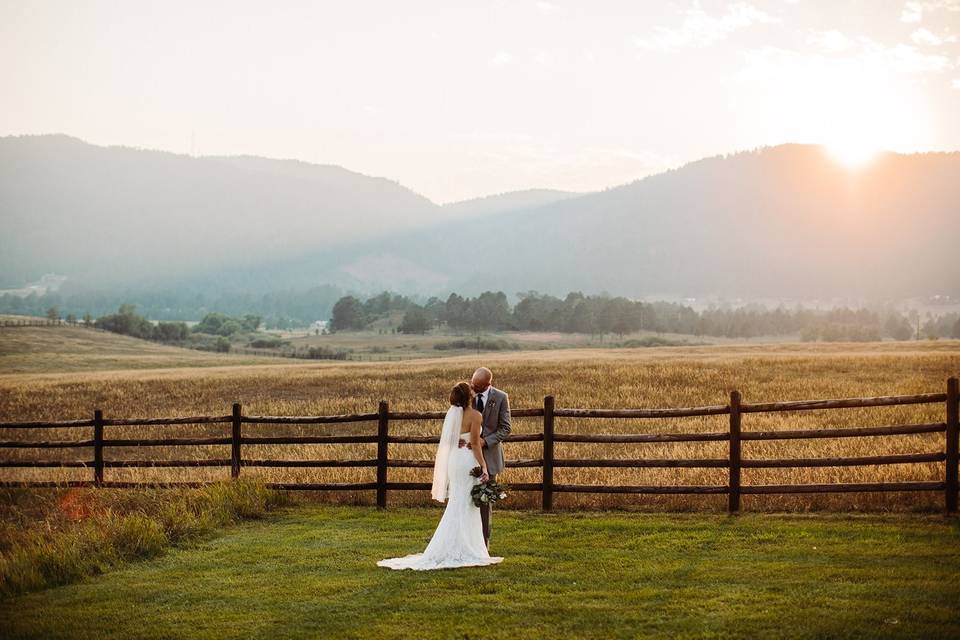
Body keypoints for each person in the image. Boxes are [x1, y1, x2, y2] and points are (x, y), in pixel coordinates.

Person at [377, 381, 504, 570]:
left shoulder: (452, 415)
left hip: (455, 461)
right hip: (467, 460)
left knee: (458, 501)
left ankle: (455, 544)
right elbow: (476, 445)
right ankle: (467, 547)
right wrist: (484, 466)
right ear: (469, 397)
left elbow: (451, 441)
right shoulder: (475, 416)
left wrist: (462, 443)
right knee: (467, 504)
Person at [459, 366, 511, 549]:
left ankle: (483, 544)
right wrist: (461, 440)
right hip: (466, 456)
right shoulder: (467, 396)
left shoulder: (501, 397)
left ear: (488, 384)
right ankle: (465, 541)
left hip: (489, 456)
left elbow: (505, 428)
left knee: (484, 502)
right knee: (465, 499)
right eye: (473, 383)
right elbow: (459, 422)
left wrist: (485, 441)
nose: (474, 387)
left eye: (478, 386)